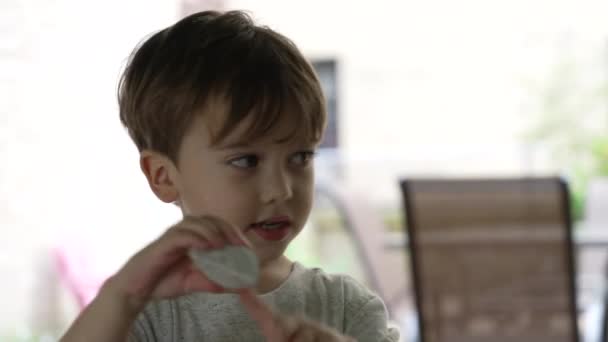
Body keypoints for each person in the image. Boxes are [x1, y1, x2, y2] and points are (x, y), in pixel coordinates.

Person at [60, 10, 400, 342]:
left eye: (300, 157)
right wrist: (122, 296)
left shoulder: (345, 309)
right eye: (246, 161)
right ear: (164, 176)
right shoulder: (145, 318)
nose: (280, 190)